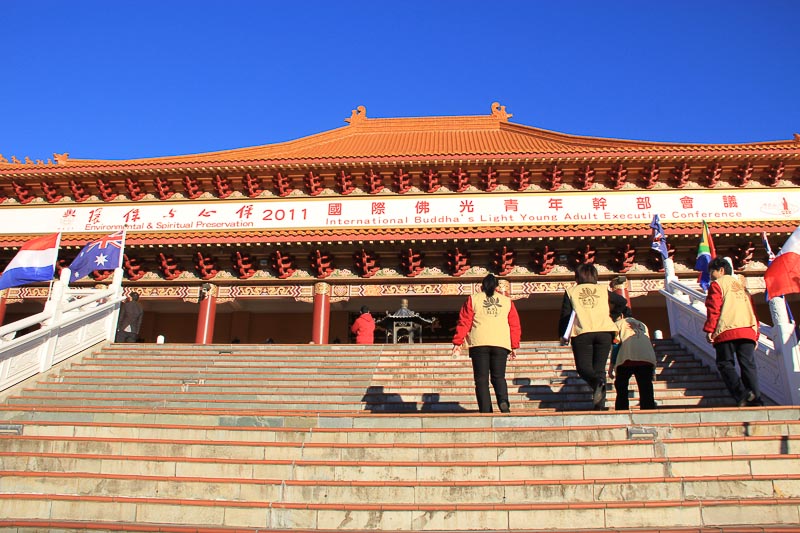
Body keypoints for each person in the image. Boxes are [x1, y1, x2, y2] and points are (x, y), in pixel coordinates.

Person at [558, 263, 628, 410]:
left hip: (583, 331)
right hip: (605, 332)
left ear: (577, 276)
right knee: (599, 369)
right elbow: (622, 301)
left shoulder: (571, 291)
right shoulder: (602, 290)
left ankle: (597, 384)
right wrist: (612, 316)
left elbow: (566, 314)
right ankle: (599, 405)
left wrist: (562, 334)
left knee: (583, 368)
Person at [451, 274, 521, 413]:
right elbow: (514, 325)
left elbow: (464, 321)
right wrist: (514, 345)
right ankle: (503, 401)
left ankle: (486, 410)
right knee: (499, 377)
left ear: (481, 286)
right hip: (501, 343)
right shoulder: (507, 301)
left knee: (481, 380)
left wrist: (457, 342)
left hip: (479, 343)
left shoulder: (473, 299)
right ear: (496, 287)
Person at [703, 257, 763, 406]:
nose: (710, 276)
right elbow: (753, 312)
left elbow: (714, 308)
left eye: (712, 272)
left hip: (726, 330)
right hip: (748, 330)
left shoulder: (717, 285)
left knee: (725, 363)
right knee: (748, 365)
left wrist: (710, 329)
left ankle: (741, 393)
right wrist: (756, 334)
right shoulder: (743, 287)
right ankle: (756, 399)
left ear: (721, 270)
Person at [608, 309, 657, 411]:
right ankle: (648, 411)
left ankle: (622, 409)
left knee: (621, 387)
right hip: (646, 358)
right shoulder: (642, 324)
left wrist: (612, 365)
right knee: (646, 387)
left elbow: (616, 345)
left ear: (621, 315)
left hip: (627, 358)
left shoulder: (618, 324)